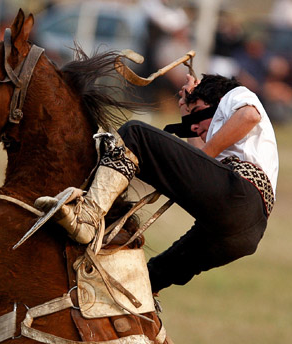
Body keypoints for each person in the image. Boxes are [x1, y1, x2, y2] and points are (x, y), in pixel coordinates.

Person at [36, 73, 278, 293]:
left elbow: (248, 116)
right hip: (242, 233)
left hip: (240, 195)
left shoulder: (234, 95)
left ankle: (87, 216)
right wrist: (187, 111)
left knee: (135, 134)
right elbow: (197, 162)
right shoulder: (218, 141)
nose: (194, 125)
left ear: (217, 100)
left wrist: (202, 148)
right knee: (148, 279)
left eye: (199, 112)